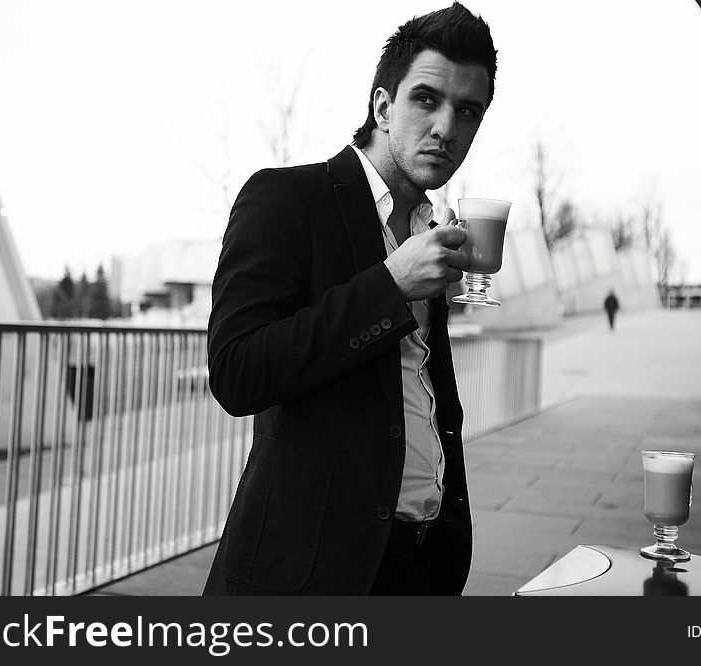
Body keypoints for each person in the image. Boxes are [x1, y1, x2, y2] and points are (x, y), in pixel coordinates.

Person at [202, 2, 497, 595]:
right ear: (383, 107)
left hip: (423, 565)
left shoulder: (428, 227)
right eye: (426, 99)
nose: (446, 126)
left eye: (468, 110)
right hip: (312, 575)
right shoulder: (285, 198)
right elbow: (237, 372)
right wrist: (390, 285)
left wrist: (450, 527)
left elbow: (414, 388)